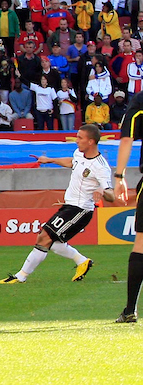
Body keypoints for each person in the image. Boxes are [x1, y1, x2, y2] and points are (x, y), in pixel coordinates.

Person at [0, 124, 109, 284]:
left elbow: (110, 189)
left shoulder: (101, 166)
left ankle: (20, 276)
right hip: (70, 206)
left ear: (91, 141)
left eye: (80, 138)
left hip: (81, 210)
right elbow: (72, 162)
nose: (76, 140)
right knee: (54, 243)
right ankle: (82, 261)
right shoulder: (79, 153)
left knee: (44, 237)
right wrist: (49, 160)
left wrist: (101, 189)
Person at [112, 92, 143, 322]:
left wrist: (119, 175)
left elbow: (126, 138)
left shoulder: (140, 100)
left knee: (141, 244)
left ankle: (130, 309)